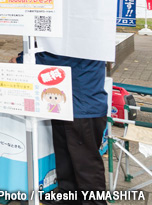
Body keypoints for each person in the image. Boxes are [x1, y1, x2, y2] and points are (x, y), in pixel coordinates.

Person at [13, 51, 107, 205]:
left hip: (82, 107)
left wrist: (24, 59)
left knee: (86, 165)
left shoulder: (84, 36)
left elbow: (61, 57)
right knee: (65, 158)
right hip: (64, 105)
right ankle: (68, 197)